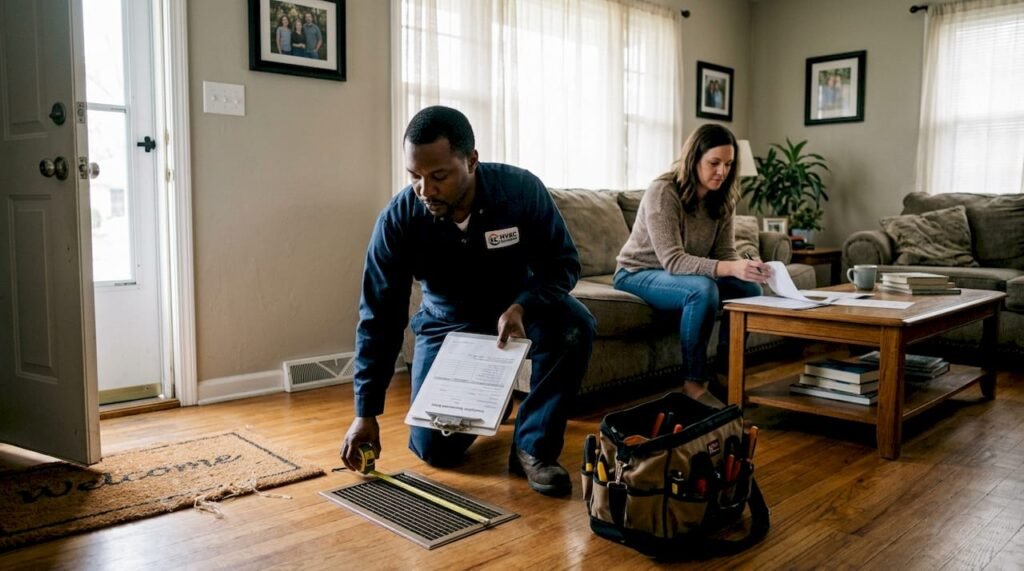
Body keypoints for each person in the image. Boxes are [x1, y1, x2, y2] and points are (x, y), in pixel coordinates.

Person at [340, 105, 595, 497]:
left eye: (438, 176)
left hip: (517, 311)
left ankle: (533, 448)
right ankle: (498, 395)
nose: (425, 190)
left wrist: (523, 304)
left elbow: (563, 264)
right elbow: (379, 316)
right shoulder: (398, 220)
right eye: (415, 177)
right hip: (446, 322)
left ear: (471, 160)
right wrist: (365, 413)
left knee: (575, 325)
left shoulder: (521, 191)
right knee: (434, 450)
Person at [613, 124, 771, 401]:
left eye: (728, 164)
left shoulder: (724, 198)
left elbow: (724, 252)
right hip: (637, 272)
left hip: (676, 274)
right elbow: (673, 260)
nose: (722, 171)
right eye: (714, 163)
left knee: (750, 291)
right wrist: (730, 268)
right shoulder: (663, 191)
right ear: (694, 159)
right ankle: (694, 383)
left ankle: (724, 374)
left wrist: (745, 267)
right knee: (702, 289)